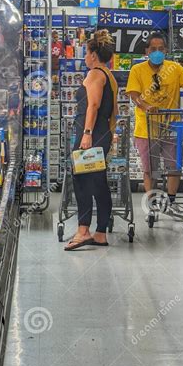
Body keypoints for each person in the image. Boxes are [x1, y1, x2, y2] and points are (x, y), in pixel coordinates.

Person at [65, 30, 118, 251]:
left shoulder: (95, 74)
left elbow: (93, 105)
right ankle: (100, 232)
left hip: (92, 135)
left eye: (86, 52)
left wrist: (86, 134)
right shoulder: (109, 74)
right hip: (101, 133)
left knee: (83, 182)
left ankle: (83, 230)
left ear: (94, 54)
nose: (84, 57)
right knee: (98, 182)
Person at [126, 32, 183, 203]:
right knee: (150, 169)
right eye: (153, 49)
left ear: (166, 50)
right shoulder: (137, 70)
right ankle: (152, 200)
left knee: (174, 166)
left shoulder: (175, 68)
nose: (157, 52)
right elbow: (134, 95)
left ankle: (171, 199)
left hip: (172, 127)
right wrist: (146, 107)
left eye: (161, 49)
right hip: (146, 129)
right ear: (147, 51)